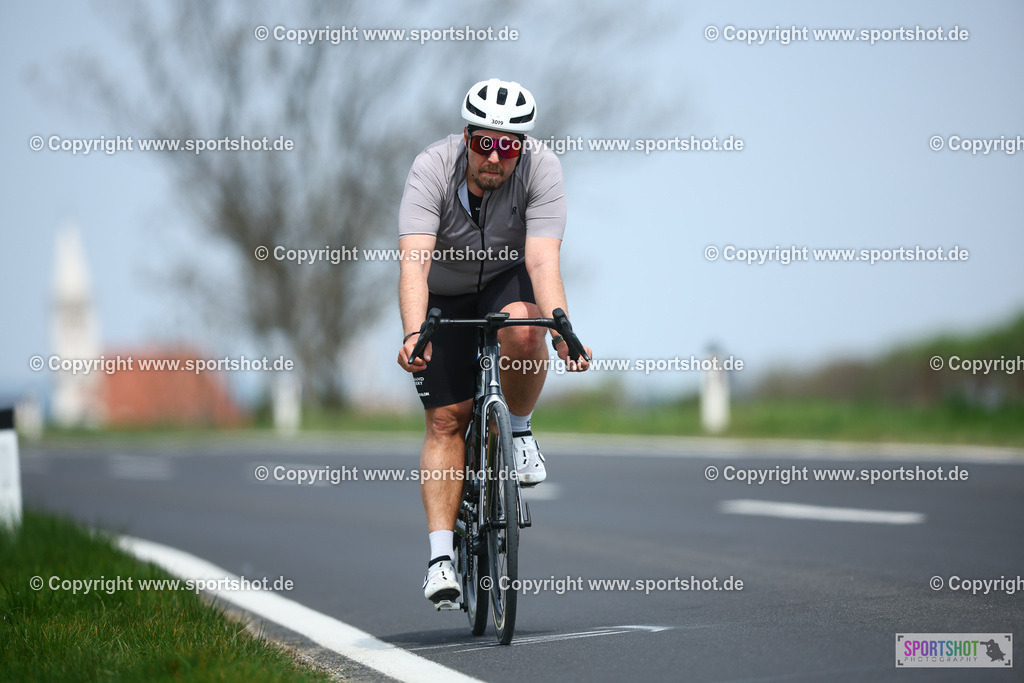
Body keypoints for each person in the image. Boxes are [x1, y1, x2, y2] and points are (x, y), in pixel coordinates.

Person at [396, 78, 591, 607]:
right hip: (444, 291)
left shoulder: (542, 168)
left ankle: (520, 432)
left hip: (506, 279)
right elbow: (413, 262)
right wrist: (415, 333)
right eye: (486, 143)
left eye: (509, 146)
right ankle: (440, 559)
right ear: (467, 138)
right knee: (446, 421)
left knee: (527, 329)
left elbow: (543, 260)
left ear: (521, 148)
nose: (496, 158)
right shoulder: (430, 168)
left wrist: (564, 329)